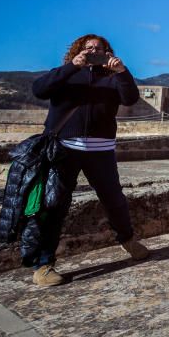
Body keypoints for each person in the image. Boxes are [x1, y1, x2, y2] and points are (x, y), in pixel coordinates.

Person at [25, 34, 149, 286]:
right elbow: (39, 89)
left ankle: (127, 240)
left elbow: (131, 99)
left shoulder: (113, 78)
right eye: (88, 48)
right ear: (77, 51)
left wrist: (122, 71)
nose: (93, 51)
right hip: (65, 149)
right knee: (55, 204)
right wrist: (73, 66)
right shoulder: (65, 73)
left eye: (99, 49)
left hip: (101, 151)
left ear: (107, 53)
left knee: (115, 200)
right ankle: (44, 264)